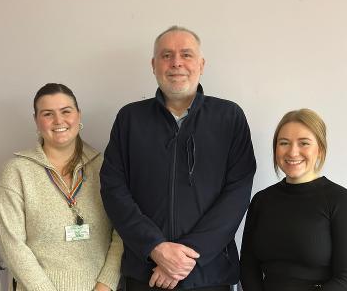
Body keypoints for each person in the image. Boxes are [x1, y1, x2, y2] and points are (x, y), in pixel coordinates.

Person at [100, 26, 256, 290]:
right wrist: (155, 248)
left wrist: (187, 257)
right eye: (166, 55)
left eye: (186, 54)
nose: (176, 63)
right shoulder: (129, 119)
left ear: (201, 64)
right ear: (153, 64)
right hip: (146, 273)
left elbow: (237, 194)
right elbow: (114, 190)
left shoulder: (229, 118)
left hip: (209, 275)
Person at [0, 83, 123, 291]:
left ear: (78, 115)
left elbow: (121, 232)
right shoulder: (16, 172)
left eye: (66, 111)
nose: (58, 121)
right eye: (48, 114)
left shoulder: (104, 167)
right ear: (36, 120)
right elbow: (12, 245)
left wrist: (105, 285)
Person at [240, 108, 347, 291]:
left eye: (304, 143)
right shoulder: (261, 200)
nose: (293, 152)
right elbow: (248, 268)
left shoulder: (344, 202)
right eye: (284, 143)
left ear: (320, 149)